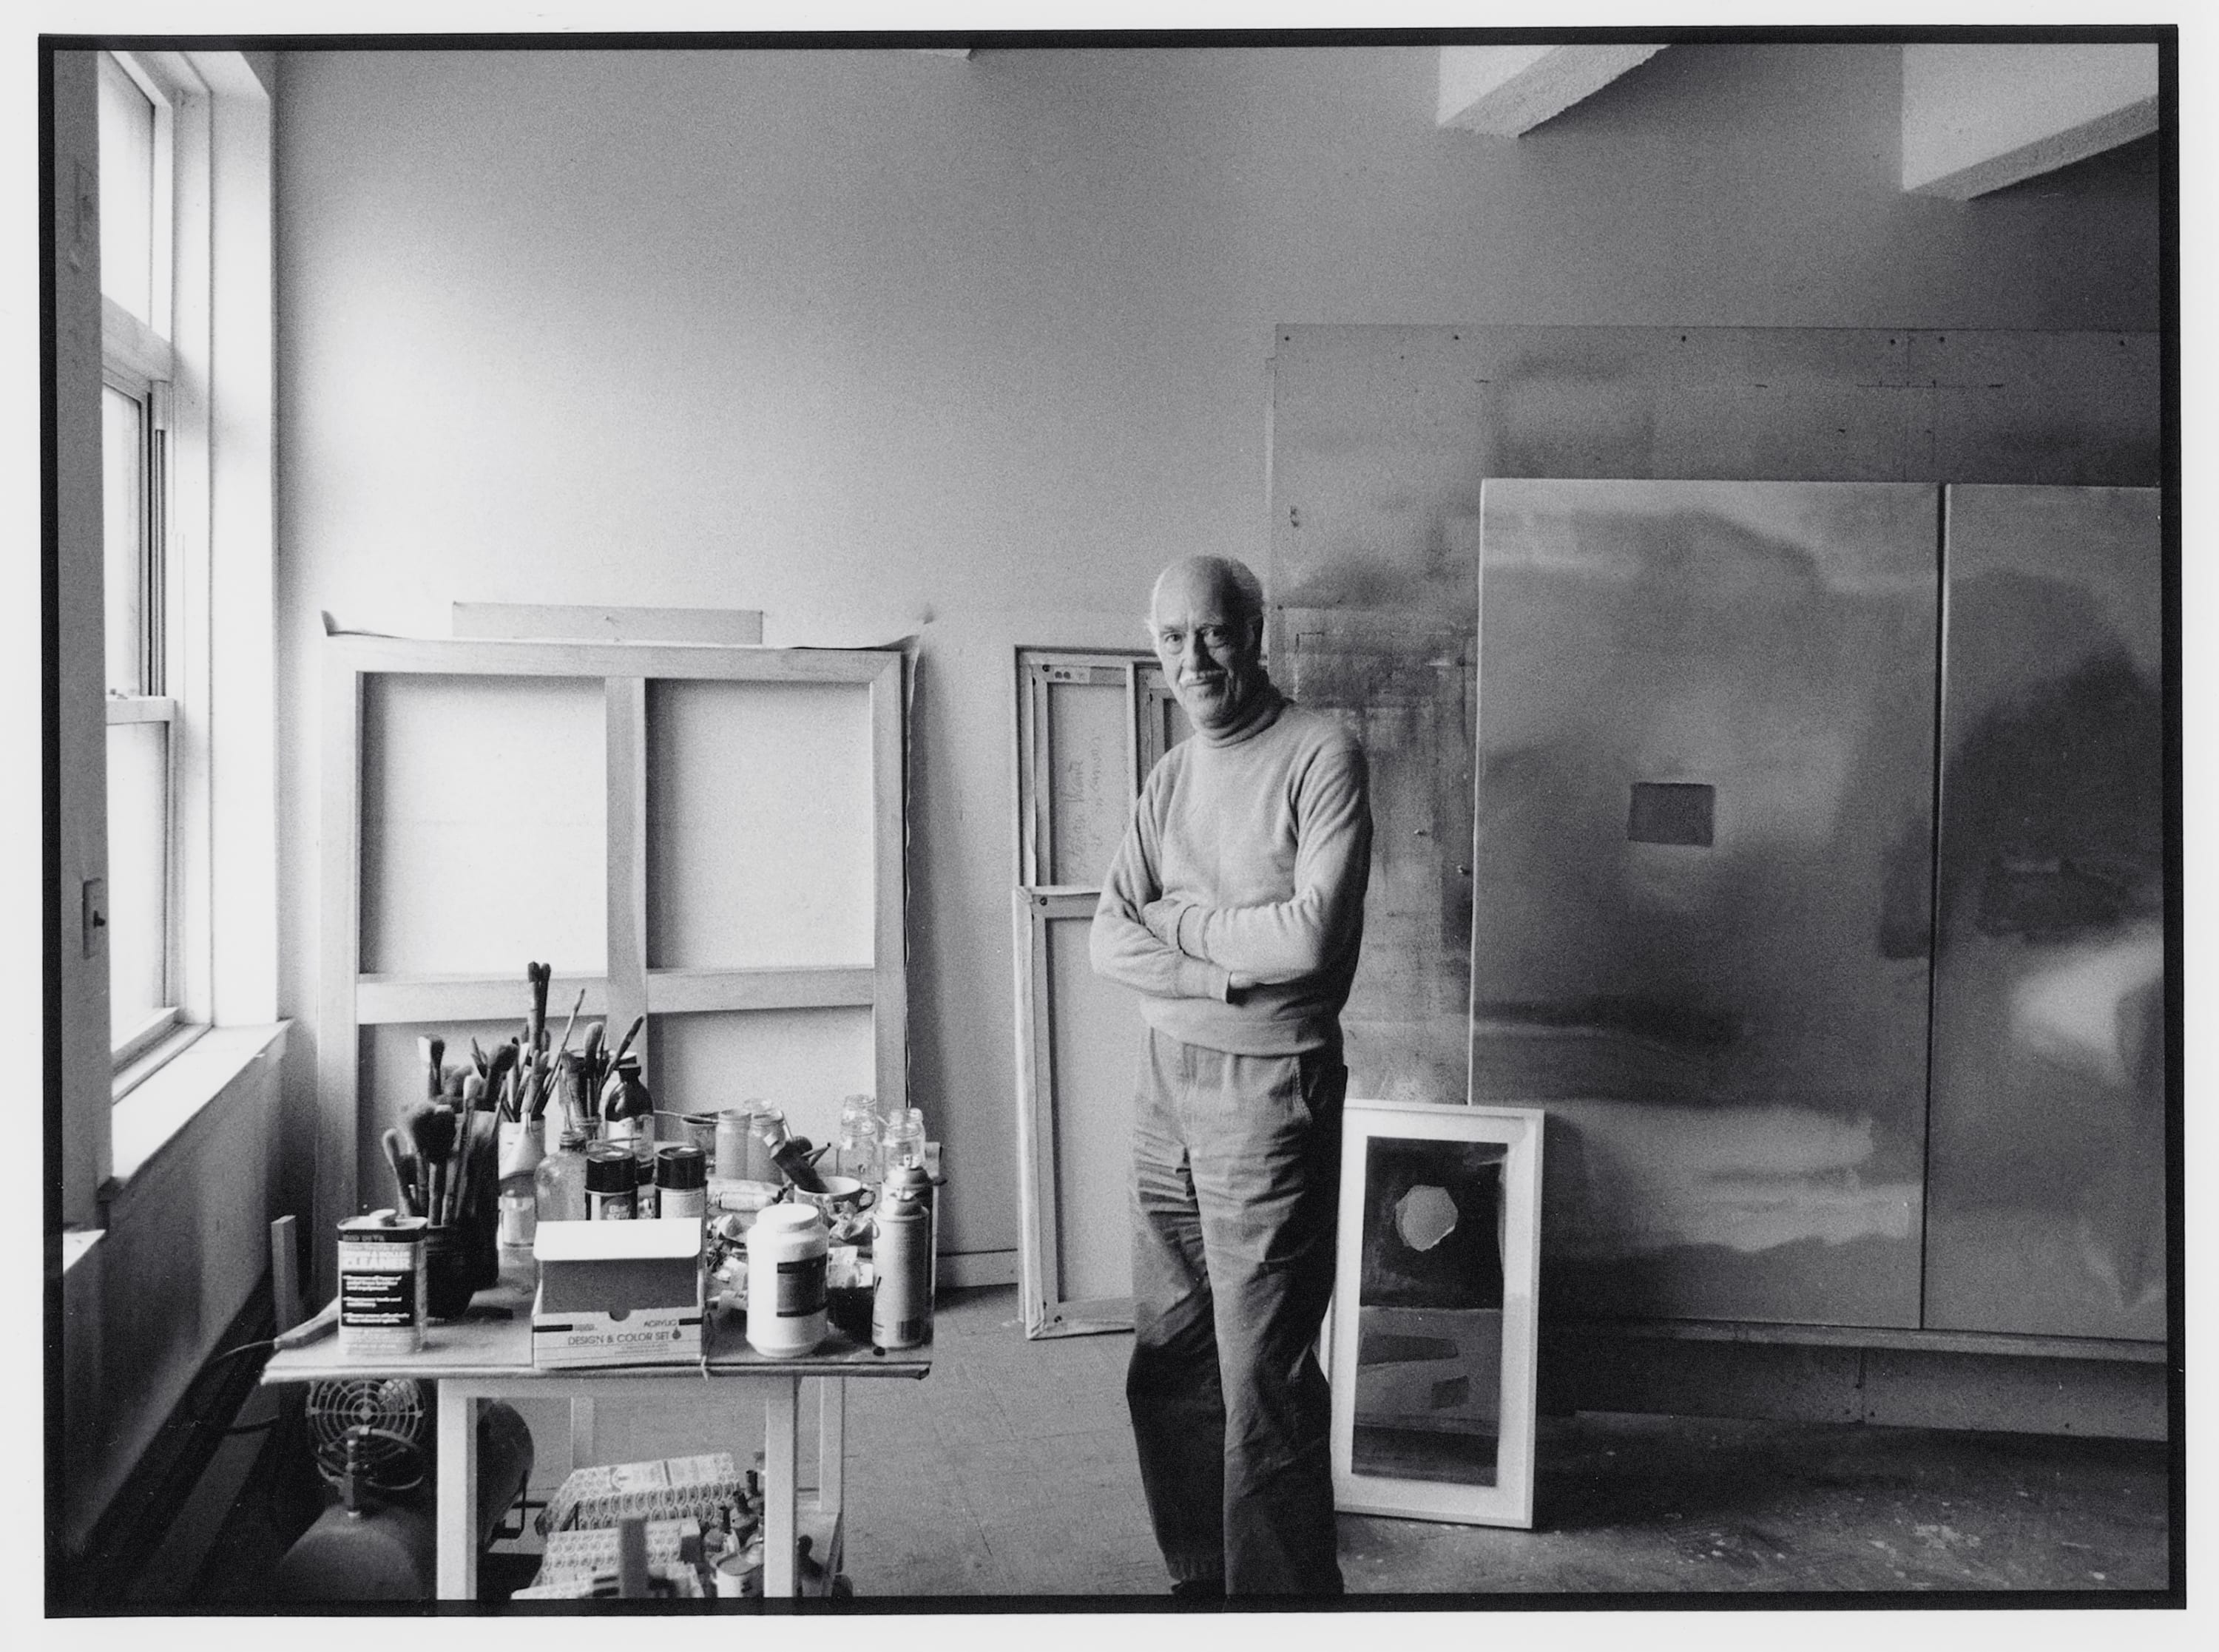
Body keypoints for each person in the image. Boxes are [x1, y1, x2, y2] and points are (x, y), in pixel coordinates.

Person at [1090, 554, 1373, 1598]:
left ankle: (1286, 1608)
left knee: (1265, 1377)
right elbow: (1104, 939)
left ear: (1256, 632)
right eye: (1172, 639)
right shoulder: (1168, 776)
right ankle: (1201, 1582)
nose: (1193, 657)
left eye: (1213, 632)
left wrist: (1179, 929)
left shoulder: (1321, 753)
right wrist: (1224, 966)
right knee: (1167, 1353)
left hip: (1271, 1094)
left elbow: (1308, 939)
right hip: (1164, 1084)